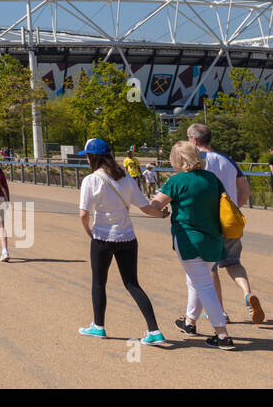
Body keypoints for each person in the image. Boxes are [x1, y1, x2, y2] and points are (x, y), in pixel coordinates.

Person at [75, 138, 170, 346]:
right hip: (127, 236)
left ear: (92, 157)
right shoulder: (126, 177)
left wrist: (89, 232)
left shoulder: (91, 180)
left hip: (102, 237)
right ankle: (154, 330)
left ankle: (98, 327)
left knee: (99, 282)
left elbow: (83, 214)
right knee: (132, 284)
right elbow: (145, 207)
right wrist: (162, 215)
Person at [149, 141, 236, 349]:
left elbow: (155, 204)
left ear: (177, 160)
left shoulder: (177, 181)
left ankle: (222, 335)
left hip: (189, 240)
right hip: (213, 239)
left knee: (204, 286)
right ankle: (189, 322)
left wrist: (159, 212)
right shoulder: (212, 179)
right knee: (197, 280)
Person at [186, 123, 263, 325]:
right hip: (229, 220)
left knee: (210, 268)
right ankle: (247, 294)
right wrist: (234, 208)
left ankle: (219, 311)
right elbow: (245, 189)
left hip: (207, 222)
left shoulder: (194, 162)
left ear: (194, 140)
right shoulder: (227, 160)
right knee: (233, 262)